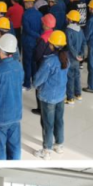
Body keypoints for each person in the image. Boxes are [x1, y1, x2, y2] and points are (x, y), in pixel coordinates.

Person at [33, 30, 69, 159]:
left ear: (52, 45)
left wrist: (35, 85)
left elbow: (38, 79)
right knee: (59, 121)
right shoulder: (66, 58)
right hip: (61, 95)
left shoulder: (49, 61)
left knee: (47, 123)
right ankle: (59, 145)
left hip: (48, 97)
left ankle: (46, 150)